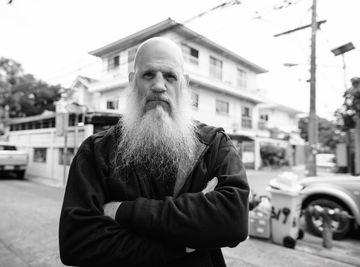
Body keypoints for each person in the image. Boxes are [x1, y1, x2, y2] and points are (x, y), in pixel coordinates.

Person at [59, 37, 250, 267]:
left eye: (170, 76)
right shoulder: (96, 150)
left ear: (183, 84)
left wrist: (123, 211)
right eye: (148, 74)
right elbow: (77, 243)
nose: (159, 85)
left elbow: (233, 221)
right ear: (133, 81)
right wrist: (185, 242)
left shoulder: (213, 144)